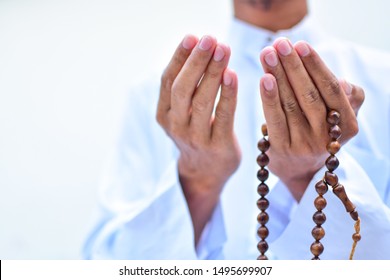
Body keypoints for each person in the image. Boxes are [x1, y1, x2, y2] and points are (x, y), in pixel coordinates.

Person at [83, 0, 390, 259]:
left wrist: (312, 179)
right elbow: (103, 261)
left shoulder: (383, 82)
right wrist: (197, 181)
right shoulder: (156, 95)